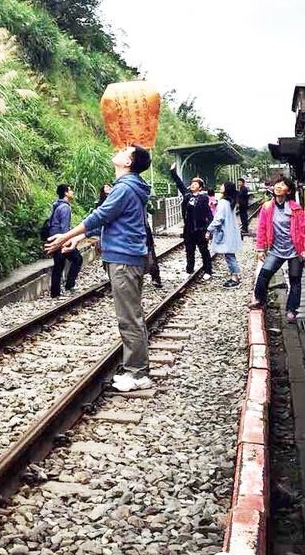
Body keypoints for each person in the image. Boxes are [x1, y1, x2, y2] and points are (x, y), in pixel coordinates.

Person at [45, 145, 153, 393]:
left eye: (126, 149)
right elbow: (111, 220)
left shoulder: (125, 187)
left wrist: (65, 237)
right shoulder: (130, 186)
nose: (120, 149)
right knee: (130, 315)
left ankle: (137, 374)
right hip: (127, 256)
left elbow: (100, 215)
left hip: (124, 259)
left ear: (129, 162)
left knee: (129, 318)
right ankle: (135, 369)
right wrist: (78, 239)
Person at [251, 176, 305, 322]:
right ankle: (260, 300)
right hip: (276, 249)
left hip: (295, 250)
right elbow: (262, 228)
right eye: (277, 184)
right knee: (264, 275)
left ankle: (291, 310)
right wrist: (260, 248)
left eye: (282, 185)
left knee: (295, 280)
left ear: (288, 191)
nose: (278, 186)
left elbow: (302, 230)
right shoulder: (267, 207)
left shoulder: (296, 208)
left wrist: (304, 249)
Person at [170, 164, 214, 280]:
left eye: (195, 184)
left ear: (200, 188)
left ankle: (208, 270)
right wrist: (173, 172)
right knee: (189, 251)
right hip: (188, 229)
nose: (193, 185)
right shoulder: (187, 195)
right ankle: (189, 269)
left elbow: (208, 214)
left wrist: (209, 229)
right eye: (192, 183)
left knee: (204, 251)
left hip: (200, 229)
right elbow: (179, 184)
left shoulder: (204, 198)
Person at [47, 184, 83, 297]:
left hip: (54, 238)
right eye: (70, 190)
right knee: (77, 259)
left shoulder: (57, 205)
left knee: (58, 265)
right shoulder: (65, 207)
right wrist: (66, 241)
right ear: (66, 193)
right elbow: (64, 227)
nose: (72, 192)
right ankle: (69, 285)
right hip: (60, 239)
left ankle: (55, 293)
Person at [206, 181, 243, 287]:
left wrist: (209, 230)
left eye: (223, 185)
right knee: (230, 254)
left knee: (229, 256)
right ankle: (235, 275)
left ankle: (235, 278)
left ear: (226, 189)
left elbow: (218, 219)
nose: (221, 186)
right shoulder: (231, 202)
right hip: (231, 231)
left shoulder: (223, 202)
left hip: (225, 233)